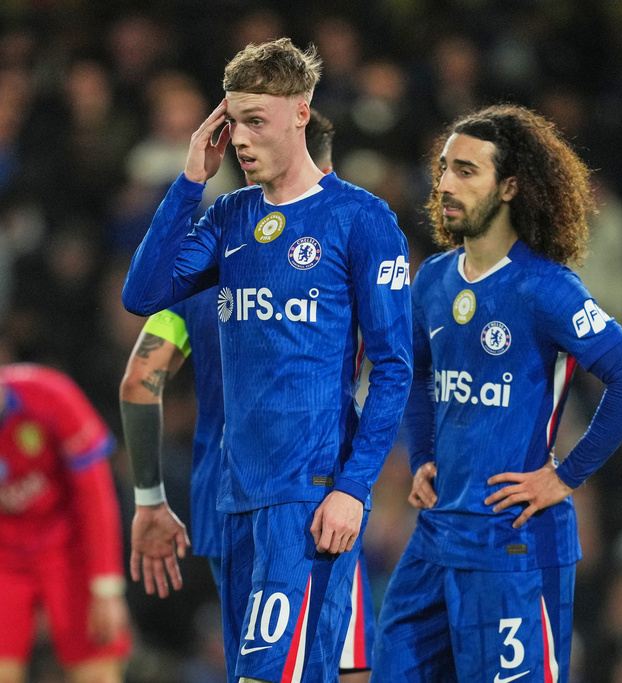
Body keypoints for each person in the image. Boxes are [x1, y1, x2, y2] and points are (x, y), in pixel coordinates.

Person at [121, 38, 412, 683]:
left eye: (257, 121)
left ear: (301, 113)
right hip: (236, 499)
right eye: (234, 122)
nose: (243, 140)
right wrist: (190, 180)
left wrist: (353, 488)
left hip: (309, 496)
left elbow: (394, 368)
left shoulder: (361, 219)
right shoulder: (230, 216)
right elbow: (142, 295)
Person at [371, 104, 622, 681]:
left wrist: (565, 476)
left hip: (515, 543)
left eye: (466, 171)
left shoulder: (546, 287)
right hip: (436, 537)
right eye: (444, 168)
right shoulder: (431, 280)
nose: (446, 183)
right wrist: (423, 454)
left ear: (509, 187)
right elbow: (416, 373)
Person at [0, 364, 131, 683]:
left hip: (69, 550)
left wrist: (106, 587)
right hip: (4, 558)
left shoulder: (51, 395)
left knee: (96, 673)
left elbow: (96, 496)